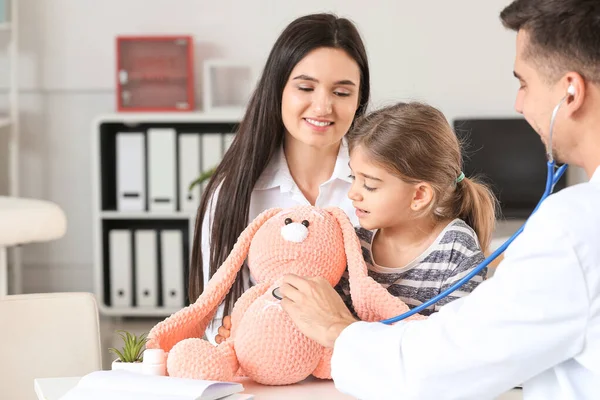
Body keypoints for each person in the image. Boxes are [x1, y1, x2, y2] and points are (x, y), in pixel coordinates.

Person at [280, 0, 600, 398]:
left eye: (523, 83)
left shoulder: (576, 227)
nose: (519, 104)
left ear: (571, 92)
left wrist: (334, 328)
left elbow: (448, 367)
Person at [190, 13, 371, 345]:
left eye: (342, 93)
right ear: (278, 89)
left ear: (359, 99)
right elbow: (214, 315)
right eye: (305, 87)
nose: (323, 106)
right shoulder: (235, 193)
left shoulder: (379, 186)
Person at [335, 102, 497, 317]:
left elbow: (453, 340)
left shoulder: (457, 251)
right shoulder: (355, 242)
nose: (352, 193)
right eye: (353, 177)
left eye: (370, 185)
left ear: (419, 195)